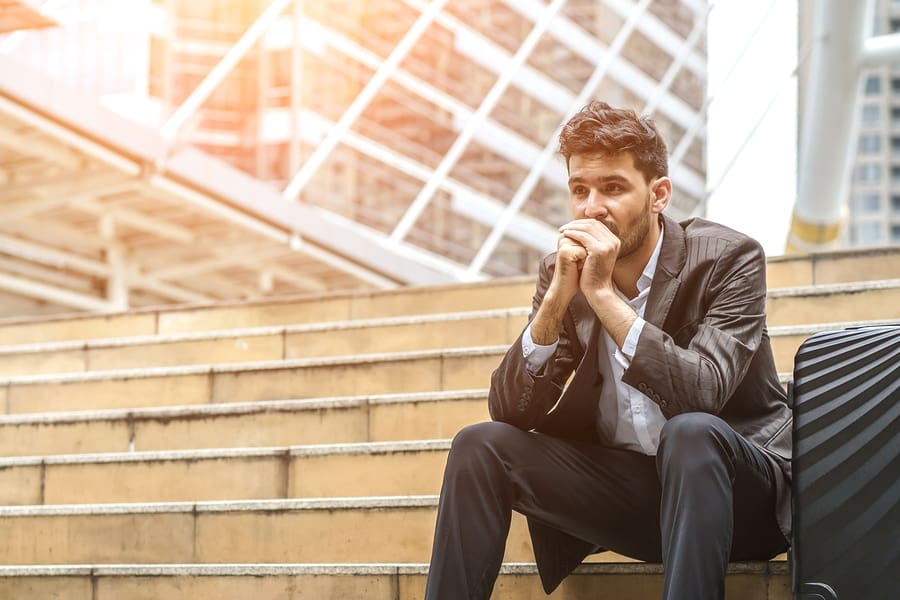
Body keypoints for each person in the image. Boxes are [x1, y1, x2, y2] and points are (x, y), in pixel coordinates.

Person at [424, 101, 792, 600]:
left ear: (658, 194)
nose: (591, 207)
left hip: (737, 497)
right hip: (632, 500)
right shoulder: (561, 274)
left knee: (690, 433)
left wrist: (603, 298)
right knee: (479, 444)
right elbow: (509, 409)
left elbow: (702, 394)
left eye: (613, 188)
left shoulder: (728, 258)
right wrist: (556, 301)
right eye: (580, 190)